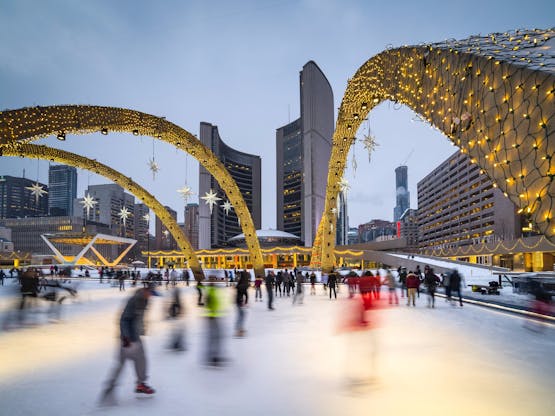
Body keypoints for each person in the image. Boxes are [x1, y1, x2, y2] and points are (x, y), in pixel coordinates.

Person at [100, 283, 160, 403]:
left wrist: (142, 328)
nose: (151, 297)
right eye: (151, 294)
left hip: (136, 337)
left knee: (141, 361)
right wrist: (126, 337)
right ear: (146, 290)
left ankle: (140, 385)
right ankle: (109, 389)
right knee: (121, 365)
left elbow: (139, 318)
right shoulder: (134, 300)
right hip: (127, 339)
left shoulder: (145, 300)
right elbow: (124, 319)